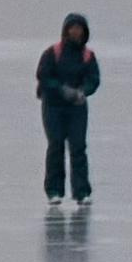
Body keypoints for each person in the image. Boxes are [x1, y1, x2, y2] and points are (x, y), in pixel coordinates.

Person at [37, 13, 100, 203]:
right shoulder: (52, 53)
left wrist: (83, 92)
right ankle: (54, 191)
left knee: (78, 147)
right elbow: (43, 76)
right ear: (65, 30)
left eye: (79, 28)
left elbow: (93, 80)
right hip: (53, 107)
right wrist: (62, 89)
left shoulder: (88, 56)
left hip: (77, 108)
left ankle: (82, 192)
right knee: (56, 146)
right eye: (72, 28)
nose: (75, 32)